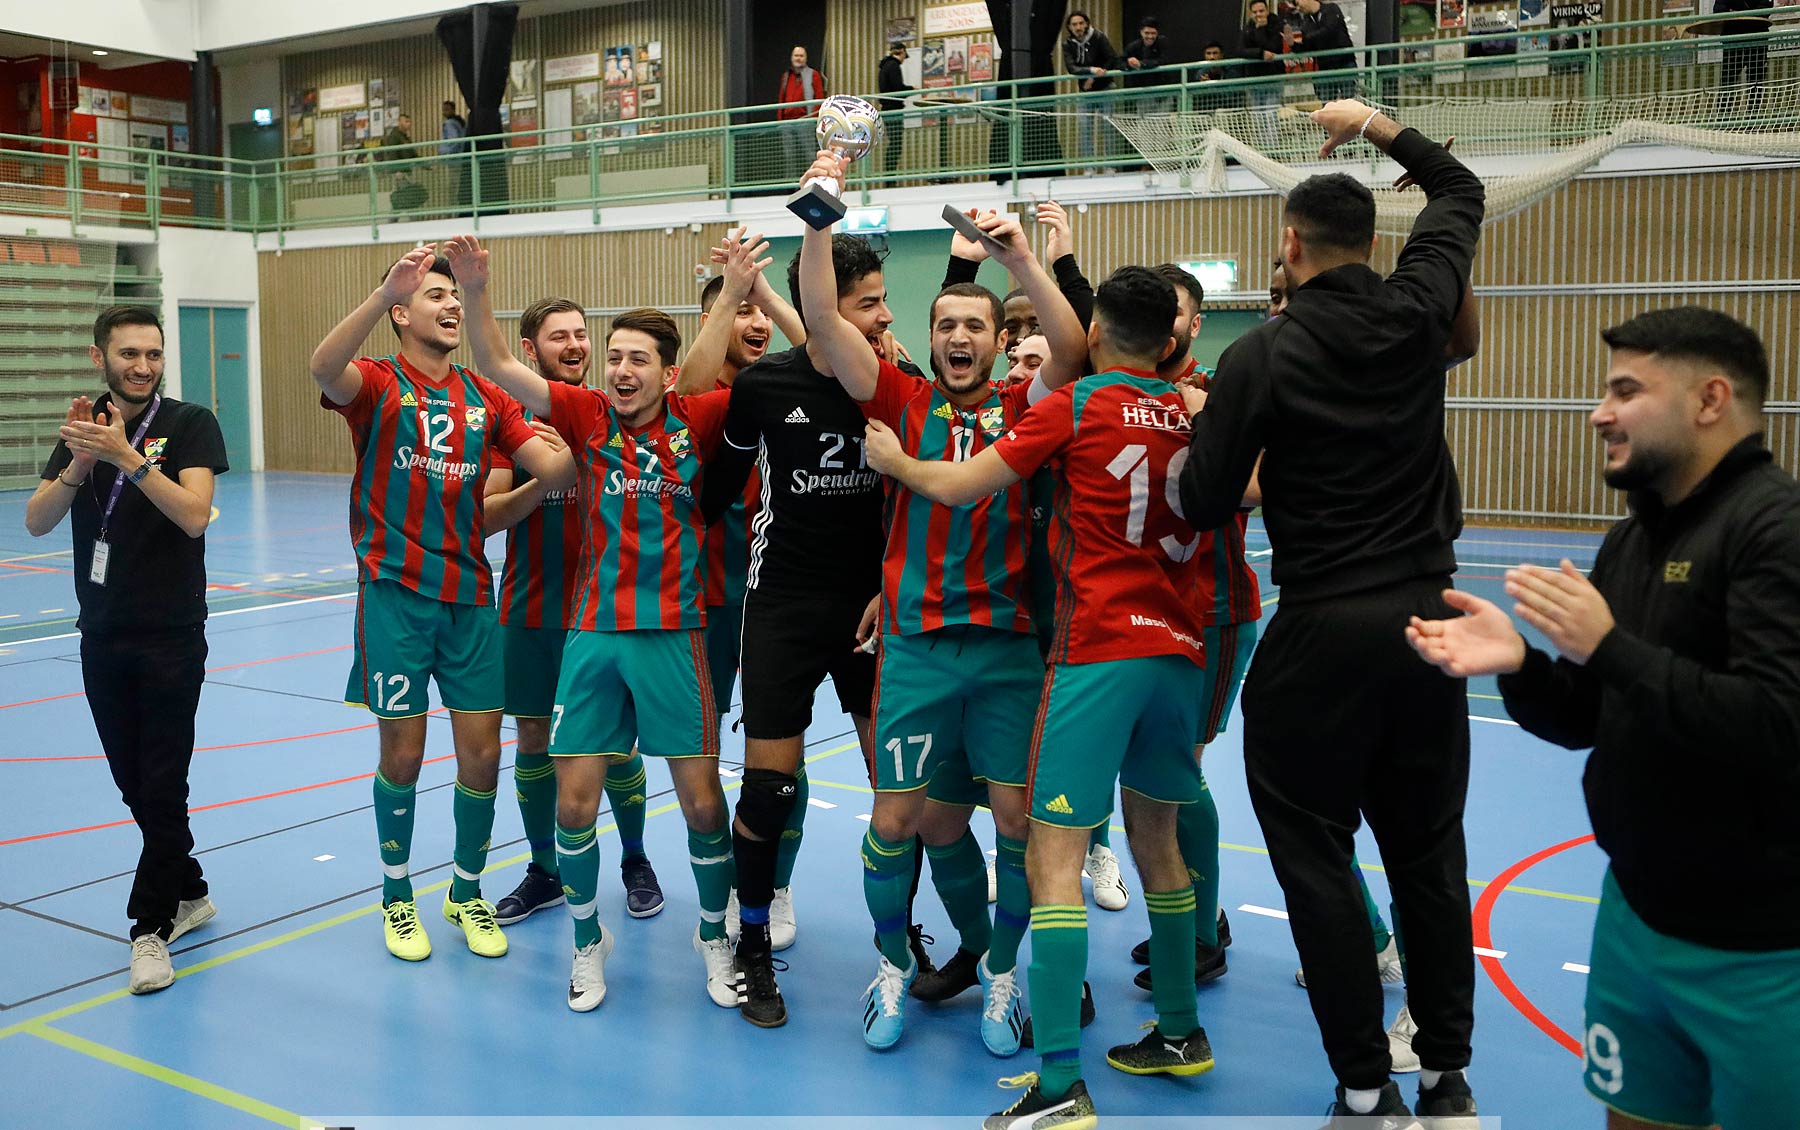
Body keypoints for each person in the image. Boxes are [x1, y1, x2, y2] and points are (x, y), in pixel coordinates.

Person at [1407, 306, 1800, 1130]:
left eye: (1626, 390)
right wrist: (1519, 662)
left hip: (1766, 951)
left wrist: (1610, 647)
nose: (1598, 413)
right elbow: (1592, 715)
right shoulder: (1634, 542)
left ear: (1710, 399)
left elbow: (1778, 724)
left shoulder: (1777, 529)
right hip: (1634, 917)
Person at [1177, 100, 1485, 1124]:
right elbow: (1461, 189)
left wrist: (1227, 433)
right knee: (1430, 854)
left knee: (1315, 856)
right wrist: (1374, 123)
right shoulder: (1418, 309)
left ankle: (1365, 1086)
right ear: (1373, 241)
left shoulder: (1260, 356)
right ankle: (1446, 1075)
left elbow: (1207, 499)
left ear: (1291, 244)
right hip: (1430, 619)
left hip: (1323, 629)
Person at [868, 265, 1221, 1128]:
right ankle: (1179, 1030)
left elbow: (957, 486)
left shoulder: (1076, 403)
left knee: (1053, 861)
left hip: (1097, 650)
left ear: (1095, 336)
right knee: (1159, 846)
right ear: (1174, 343)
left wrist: (895, 460)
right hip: (1181, 651)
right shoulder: (1196, 408)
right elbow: (1253, 490)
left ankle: (1059, 1085)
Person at [800, 174, 1088, 1055]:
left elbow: (1074, 355)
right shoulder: (902, 399)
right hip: (918, 650)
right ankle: (892, 967)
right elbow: (822, 322)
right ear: (928, 340)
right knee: (898, 821)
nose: (959, 338)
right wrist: (819, 215)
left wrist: (1025, 261)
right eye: (946, 327)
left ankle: (1001, 977)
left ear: (1002, 343)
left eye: (976, 327)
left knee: (1014, 825)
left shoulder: (1026, 406)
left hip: (1007, 651)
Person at [445, 235, 742, 1013]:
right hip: (592, 639)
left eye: (637, 357)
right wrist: (477, 292)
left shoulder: (700, 417)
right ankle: (586, 942)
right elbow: (498, 367)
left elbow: (727, 357)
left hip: (675, 637)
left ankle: (714, 935)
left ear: (668, 373)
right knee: (574, 802)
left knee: (704, 803)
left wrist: (741, 287)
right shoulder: (583, 414)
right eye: (613, 355)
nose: (619, 368)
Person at [309, 246, 574, 964]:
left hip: (470, 599)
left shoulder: (489, 399)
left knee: (483, 754)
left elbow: (552, 465)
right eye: (434, 296)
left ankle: (465, 889)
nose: (451, 306)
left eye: (455, 298)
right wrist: (376, 292)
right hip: (395, 595)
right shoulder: (378, 383)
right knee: (402, 751)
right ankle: (397, 897)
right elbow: (322, 369)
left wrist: (580, 444)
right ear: (401, 312)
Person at [699, 226, 933, 1029]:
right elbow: (710, 488)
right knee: (769, 790)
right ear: (825, 304)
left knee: (897, 795)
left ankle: (899, 943)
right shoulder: (765, 385)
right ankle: (753, 947)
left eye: (881, 304)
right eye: (867, 304)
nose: (881, 317)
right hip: (783, 610)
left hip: (872, 612)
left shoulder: (894, 384)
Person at [25, 305, 228, 996]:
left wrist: (128, 458)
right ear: (100, 358)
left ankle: (150, 927)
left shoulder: (190, 423)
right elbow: (36, 520)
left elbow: (194, 516)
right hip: (101, 632)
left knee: (163, 782)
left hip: (172, 635)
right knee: (134, 783)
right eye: (129, 354)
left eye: (153, 353)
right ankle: (191, 889)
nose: (143, 365)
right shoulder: (86, 426)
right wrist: (83, 461)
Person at [482, 298, 668, 929]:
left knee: (616, 745)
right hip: (532, 608)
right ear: (530, 351)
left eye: (581, 336)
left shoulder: (608, 413)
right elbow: (488, 515)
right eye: (559, 337)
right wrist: (551, 473)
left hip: (605, 609)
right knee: (533, 739)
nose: (576, 346)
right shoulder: (513, 422)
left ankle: (636, 860)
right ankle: (545, 869)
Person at [1062, 11, 1120, 165]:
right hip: (1085, 92)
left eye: (1081, 23)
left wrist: (1095, 76)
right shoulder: (1068, 44)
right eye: (1074, 24)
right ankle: (1089, 166)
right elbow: (1072, 68)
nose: (1078, 27)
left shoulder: (1098, 37)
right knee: (1085, 129)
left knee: (1108, 127)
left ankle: (1110, 165)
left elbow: (1112, 58)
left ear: (1087, 24)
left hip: (1105, 88)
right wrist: (1091, 70)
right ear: (1069, 27)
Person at [1240, 1, 1287, 148]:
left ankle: (1272, 151)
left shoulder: (1277, 25)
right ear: (1251, 13)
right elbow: (1240, 50)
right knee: (1257, 117)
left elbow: (1273, 47)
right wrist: (1260, 53)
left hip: (1273, 78)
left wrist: (1260, 31)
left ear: (1267, 11)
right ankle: (1262, 150)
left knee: (1270, 114)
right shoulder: (1247, 28)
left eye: (1261, 11)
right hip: (1254, 79)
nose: (1258, 15)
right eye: (1255, 12)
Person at [776, 46, 827, 180]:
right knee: (789, 156)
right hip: (788, 122)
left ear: (805, 58)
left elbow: (819, 97)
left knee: (809, 153)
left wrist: (814, 118)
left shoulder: (813, 75)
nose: (798, 58)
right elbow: (782, 97)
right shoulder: (786, 76)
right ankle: (791, 185)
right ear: (792, 58)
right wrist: (780, 121)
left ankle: (812, 180)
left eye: (801, 56)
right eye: (796, 56)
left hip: (805, 120)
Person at [1294, 0, 1358, 102]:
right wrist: (1293, 45)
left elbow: (1330, 30)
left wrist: (1306, 39)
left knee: (1349, 100)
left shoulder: (1331, 8)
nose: (1298, 8)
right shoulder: (1305, 22)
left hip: (1344, 63)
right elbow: (1308, 46)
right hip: (1324, 67)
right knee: (1326, 104)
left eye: (1297, 3)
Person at [877, 42, 913, 175]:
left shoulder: (884, 66)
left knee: (893, 142)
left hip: (887, 109)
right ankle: (890, 176)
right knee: (896, 144)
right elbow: (898, 89)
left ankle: (890, 175)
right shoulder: (894, 66)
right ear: (902, 52)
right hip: (894, 109)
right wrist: (912, 89)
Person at [439, 101, 470, 207]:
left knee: (453, 185)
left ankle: (453, 208)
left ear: (453, 110)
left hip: (454, 159)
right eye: (443, 110)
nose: (444, 112)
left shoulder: (449, 123)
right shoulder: (460, 122)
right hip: (461, 158)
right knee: (458, 184)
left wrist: (445, 153)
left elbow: (454, 140)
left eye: (446, 109)